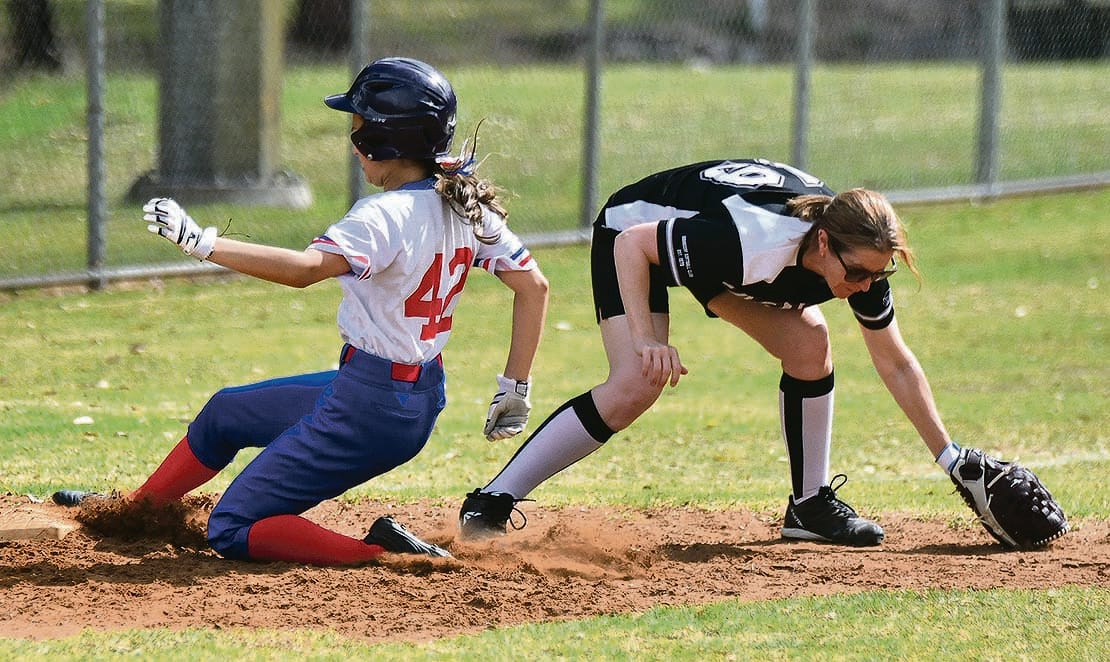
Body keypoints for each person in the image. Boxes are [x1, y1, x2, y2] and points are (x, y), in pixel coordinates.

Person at [53, 57, 549, 565]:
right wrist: (515, 387)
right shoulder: (464, 204)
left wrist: (203, 243)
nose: (353, 143)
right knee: (226, 413)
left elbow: (305, 270)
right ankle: (133, 511)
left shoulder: (385, 214)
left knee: (232, 527)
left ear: (384, 138)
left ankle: (382, 552)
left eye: (358, 126)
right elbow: (534, 286)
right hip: (407, 397)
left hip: (370, 408)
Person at [458, 158, 970, 547]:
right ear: (822, 244)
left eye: (880, 273)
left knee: (810, 346)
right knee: (636, 382)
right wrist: (647, 339)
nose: (866, 284)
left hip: (713, 257)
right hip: (632, 231)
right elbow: (633, 244)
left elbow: (896, 363)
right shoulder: (754, 240)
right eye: (856, 272)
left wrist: (950, 459)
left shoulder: (861, 258)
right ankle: (491, 500)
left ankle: (810, 506)